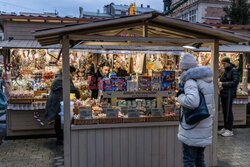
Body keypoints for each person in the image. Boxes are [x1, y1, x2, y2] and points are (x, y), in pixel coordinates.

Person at [177, 53, 215, 167]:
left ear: (185, 69)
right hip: (204, 126)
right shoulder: (206, 80)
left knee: (189, 161)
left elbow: (192, 102)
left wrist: (180, 96)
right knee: (199, 160)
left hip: (193, 129)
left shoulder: (190, 81)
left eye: (181, 69)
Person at [45, 66, 80, 145]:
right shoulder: (64, 78)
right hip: (58, 101)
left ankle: (60, 138)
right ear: (70, 72)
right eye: (73, 73)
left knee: (58, 120)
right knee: (60, 119)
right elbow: (72, 89)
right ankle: (62, 138)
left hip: (55, 100)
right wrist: (78, 94)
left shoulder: (59, 76)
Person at [218, 56, 239, 137]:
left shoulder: (234, 70)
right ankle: (225, 127)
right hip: (223, 93)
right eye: (222, 63)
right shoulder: (224, 70)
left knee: (228, 111)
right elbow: (222, 80)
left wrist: (223, 84)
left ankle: (229, 129)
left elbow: (235, 82)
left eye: (224, 63)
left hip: (230, 93)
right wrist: (220, 84)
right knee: (225, 111)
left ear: (228, 63)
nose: (223, 65)